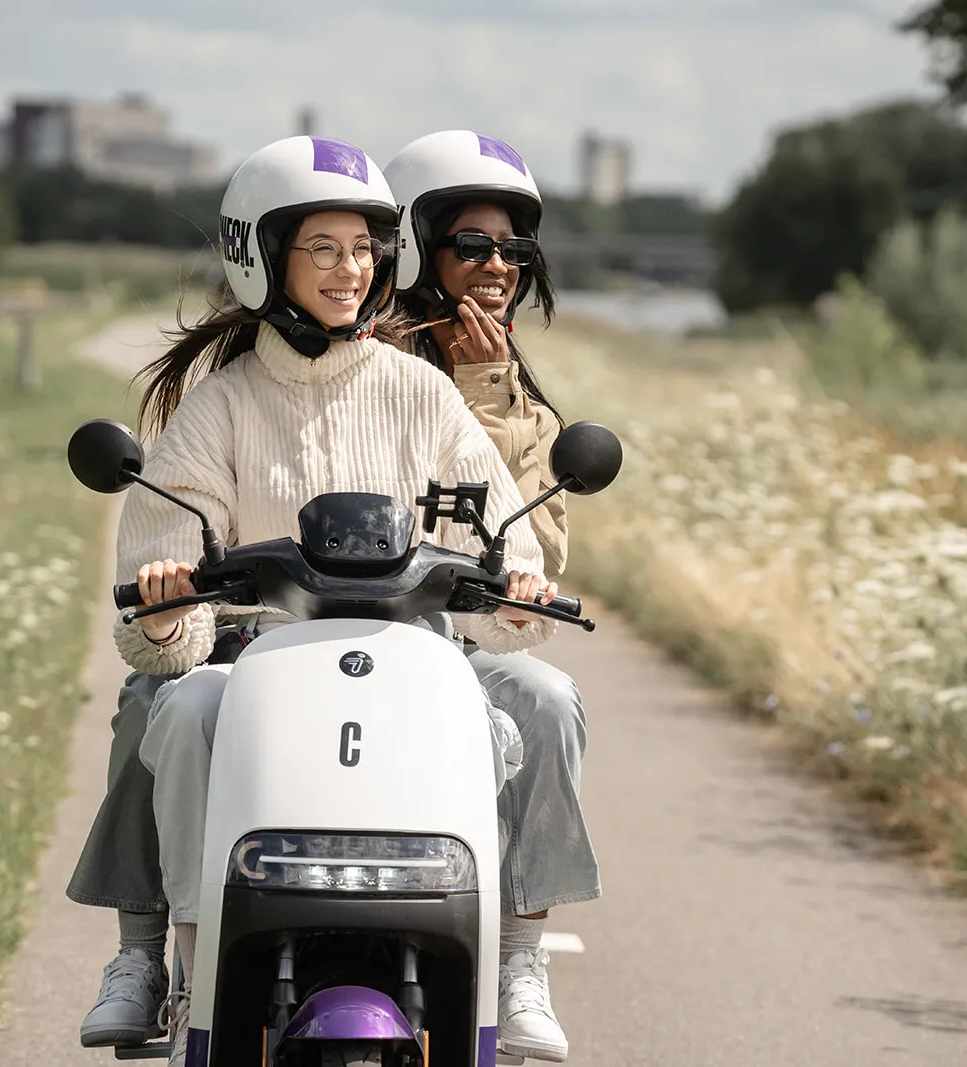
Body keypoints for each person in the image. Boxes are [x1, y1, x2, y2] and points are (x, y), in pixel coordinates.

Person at [70, 134, 558, 1066]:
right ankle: (179, 963)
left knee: (526, 711)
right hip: (255, 668)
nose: (350, 269)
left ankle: (511, 964)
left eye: (365, 248)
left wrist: (520, 586)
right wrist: (172, 603)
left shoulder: (420, 392)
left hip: (413, 668)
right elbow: (155, 605)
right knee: (177, 706)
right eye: (324, 248)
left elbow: (509, 549)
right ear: (265, 257)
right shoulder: (220, 406)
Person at [383, 130, 598, 1062]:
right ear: (415, 250)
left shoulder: (518, 396)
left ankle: (520, 961)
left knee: (548, 701)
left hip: (455, 649)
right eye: (473, 244)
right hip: (328, 633)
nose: (498, 266)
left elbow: (537, 550)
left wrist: (487, 399)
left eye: (515, 249)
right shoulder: (364, 369)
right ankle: (161, 951)